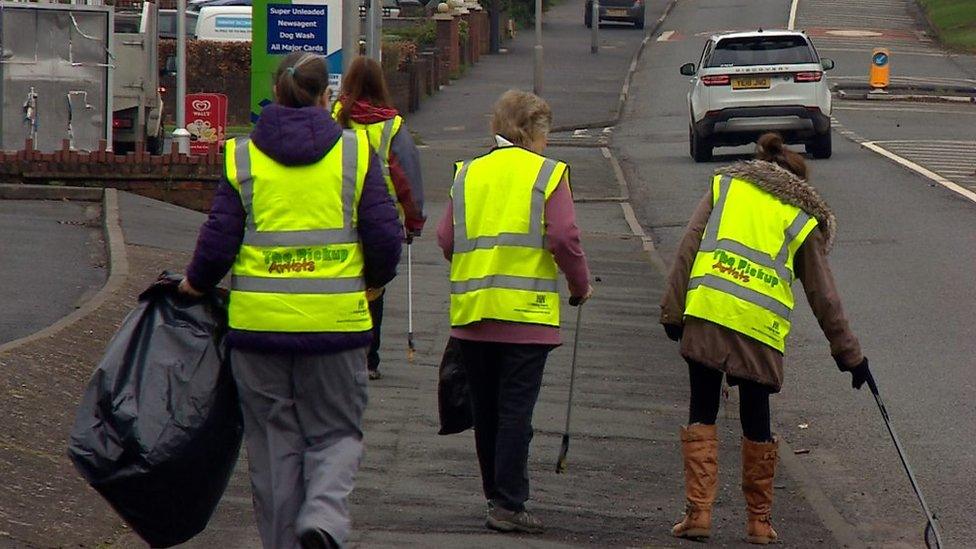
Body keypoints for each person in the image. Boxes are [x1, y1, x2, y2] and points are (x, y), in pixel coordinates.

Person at [178, 51, 402, 549]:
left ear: (276, 94)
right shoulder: (354, 153)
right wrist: (374, 280)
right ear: (327, 97)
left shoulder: (243, 156)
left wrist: (195, 282)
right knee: (336, 432)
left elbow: (219, 238)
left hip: (258, 332)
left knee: (273, 446)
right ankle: (322, 515)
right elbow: (385, 236)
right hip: (337, 329)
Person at [660, 132, 871, 545]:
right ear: (800, 183)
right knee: (756, 416)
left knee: (702, 407)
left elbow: (688, 247)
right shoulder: (800, 217)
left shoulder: (727, 187)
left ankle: (699, 514)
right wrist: (850, 357)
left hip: (709, 311)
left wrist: (672, 310)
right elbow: (824, 296)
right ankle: (758, 522)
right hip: (759, 328)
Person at [437, 89, 593, 534]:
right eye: (545, 136)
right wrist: (579, 286)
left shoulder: (468, 173)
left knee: (486, 410)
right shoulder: (548, 174)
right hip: (526, 315)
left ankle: (495, 495)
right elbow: (564, 237)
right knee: (516, 412)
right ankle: (509, 503)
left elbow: (447, 239)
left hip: (473, 312)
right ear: (533, 131)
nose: (547, 145)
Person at [333, 56, 426, 380]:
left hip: (339, 209)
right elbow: (407, 176)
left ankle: (341, 352)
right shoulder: (393, 125)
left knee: (344, 281)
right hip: (381, 215)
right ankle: (369, 359)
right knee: (375, 286)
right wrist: (414, 220)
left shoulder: (336, 117)